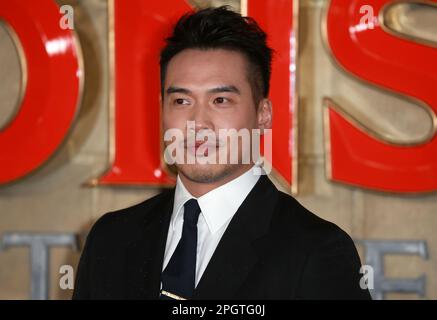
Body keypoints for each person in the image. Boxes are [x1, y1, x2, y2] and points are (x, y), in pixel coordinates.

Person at [72, 6, 371, 300]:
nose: (198, 123)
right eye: (181, 101)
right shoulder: (111, 239)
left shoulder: (317, 251)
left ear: (263, 114)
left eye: (220, 100)